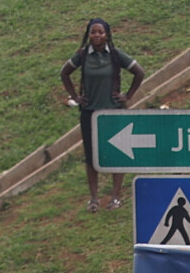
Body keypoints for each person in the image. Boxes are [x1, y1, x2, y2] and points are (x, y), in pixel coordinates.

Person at [62, 18, 146, 211]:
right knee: (91, 157)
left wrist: (127, 96)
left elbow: (139, 72)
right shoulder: (82, 56)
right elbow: (64, 73)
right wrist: (75, 96)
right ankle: (94, 199)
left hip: (113, 112)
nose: (97, 35)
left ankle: (115, 197)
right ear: (88, 35)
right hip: (89, 112)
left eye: (100, 32)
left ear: (107, 34)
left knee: (118, 153)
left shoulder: (115, 55)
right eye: (93, 32)